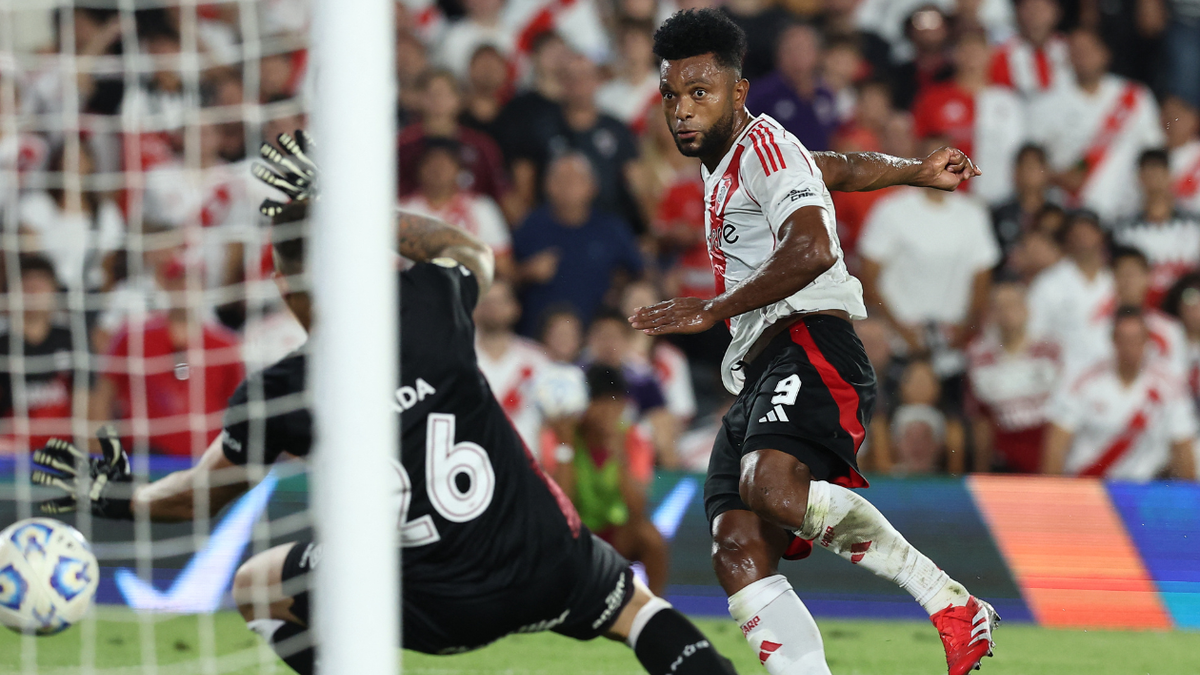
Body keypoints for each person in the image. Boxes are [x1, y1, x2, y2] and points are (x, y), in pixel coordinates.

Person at [32, 174, 742, 675]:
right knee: (637, 608)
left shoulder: (279, 389)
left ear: (284, 285)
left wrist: (118, 499)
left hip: (429, 607)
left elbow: (199, 498)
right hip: (540, 560)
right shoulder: (426, 303)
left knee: (256, 584)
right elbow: (472, 253)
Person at [630, 10, 998, 675]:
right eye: (671, 96)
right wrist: (914, 169)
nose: (682, 111)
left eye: (700, 93)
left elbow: (814, 244)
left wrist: (713, 308)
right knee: (736, 544)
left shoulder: (761, 145)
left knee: (770, 486)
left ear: (738, 94)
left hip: (810, 339)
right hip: (758, 363)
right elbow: (836, 166)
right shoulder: (736, 158)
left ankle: (947, 599)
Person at [859, 136, 998, 377]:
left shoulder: (973, 213)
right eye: (934, 157)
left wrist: (965, 331)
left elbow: (982, 282)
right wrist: (901, 331)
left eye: (949, 159)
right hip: (898, 344)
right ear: (919, 161)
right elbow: (869, 279)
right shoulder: (891, 210)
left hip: (954, 345)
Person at [90, 254, 245, 457]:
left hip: (203, 459)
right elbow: (103, 394)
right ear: (165, 284)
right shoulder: (133, 335)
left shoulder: (225, 345)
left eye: (194, 280)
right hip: (144, 456)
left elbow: (237, 408)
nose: (186, 286)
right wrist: (100, 447)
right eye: (179, 279)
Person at [1043, 306, 1197, 480]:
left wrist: (1189, 502)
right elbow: (1056, 447)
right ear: (1113, 340)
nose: (1130, 348)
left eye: (1136, 340)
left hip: (1145, 492)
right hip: (1090, 487)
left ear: (1147, 341)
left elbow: (1183, 448)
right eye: (1124, 339)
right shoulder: (1083, 383)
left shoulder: (1170, 388)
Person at [555, 364, 671, 595]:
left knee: (650, 537)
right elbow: (560, 508)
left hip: (617, 535)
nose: (609, 412)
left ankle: (658, 607)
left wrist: (620, 456)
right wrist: (565, 447)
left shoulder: (632, 437)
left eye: (615, 403)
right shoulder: (563, 434)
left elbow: (637, 509)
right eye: (600, 403)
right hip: (578, 535)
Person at [1027, 29, 1164, 223]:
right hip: (1070, 215)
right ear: (1067, 57)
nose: (1084, 57)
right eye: (1077, 51)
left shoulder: (1135, 96)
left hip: (1129, 212)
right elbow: (1030, 164)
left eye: (1089, 50)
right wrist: (1057, 177)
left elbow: (1154, 155)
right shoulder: (1045, 104)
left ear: (1105, 53)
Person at [511, 153, 644, 336]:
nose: (567, 187)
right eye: (560, 179)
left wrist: (621, 290)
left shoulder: (611, 229)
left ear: (592, 187)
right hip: (538, 341)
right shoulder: (531, 226)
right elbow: (506, 279)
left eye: (575, 180)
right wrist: (526, 272)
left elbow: (641, 273)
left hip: (594, 342)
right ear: (547, 186)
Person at [911, 29, 1027, 205]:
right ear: (955, 54)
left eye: (978, 48)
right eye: (966, 48)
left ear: (991, 53)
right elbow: (917, 148)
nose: (972, 54)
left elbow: (1020, 151)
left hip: (1001, 199)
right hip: (949, 198)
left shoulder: (1009, 102)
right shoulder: (932, 99)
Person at [965, 280, 1062, 474]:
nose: (1007, 312)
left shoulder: (1051, 351)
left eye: (1013, 304)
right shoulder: (978, 356)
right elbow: (981, 419)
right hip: (1003, 449)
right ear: (991, 314)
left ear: (1027, 309)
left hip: (1043, 443)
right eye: (999, 306)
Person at [397, 139, 514, 280]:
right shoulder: (401, 209)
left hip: (472, 292)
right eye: (431, 164)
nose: (438, 170)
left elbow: (503, 265)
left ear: (459, 169)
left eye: (445, 164)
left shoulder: (481, 207)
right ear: (418, 169)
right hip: (414, 290)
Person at [474, 279, 562, 457]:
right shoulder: (458, 358)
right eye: (486, 301)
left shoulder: (538, 359)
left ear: (515, 308)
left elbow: (553, 419)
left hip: (525, 465)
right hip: (473, 464)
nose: (493, 308)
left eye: (500, 301)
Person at [0, 256, 77, 453]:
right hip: (10, 452)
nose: (33, 291)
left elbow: (89, 399)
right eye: (27, 285)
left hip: (64, 451)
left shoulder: (73, 340)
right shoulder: (3, 344)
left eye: (40, 284)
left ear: (55, 291)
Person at [1026, 210, 1115, 377]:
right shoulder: (1048, 283)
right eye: (1077, 232)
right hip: (1064, 380)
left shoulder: (1115, 280)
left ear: (1101, 235)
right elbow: (1034, 336)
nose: (1083, 237)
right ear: (1067, 238)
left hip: (1109, 378)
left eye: (1089, 231)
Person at [1112, 149, 1200, 306]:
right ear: (1139, 178)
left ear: (1170, 175)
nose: (1153, 178)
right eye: (1148, 172)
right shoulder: (1123, 230)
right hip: (1143, 309)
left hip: (1189, 306)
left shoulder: (1195, 224)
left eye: (1158, 171)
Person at [745, 22, 839, 152]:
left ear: (818, 54)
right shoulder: (760, 95)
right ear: (778, 54)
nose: (796, 57)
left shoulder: (826, 95)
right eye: (790, 50)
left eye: (803, 49)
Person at [990, 144, 1058, 272]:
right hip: (1009, 283)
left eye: (1034, 166)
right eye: (1024, 166)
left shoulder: (1059, 214)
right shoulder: (998, 214)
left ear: (1047, 171)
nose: (1029, 172)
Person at [988, 0, 1072, 97]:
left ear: (1056, 13)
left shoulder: (1070, 50)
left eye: (1041, 9)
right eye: (1029, 9)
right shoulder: (1002, 56)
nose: (1036, 15)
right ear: (1018, 13)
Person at [1162, 96, 1200, 214]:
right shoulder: (1149, 154)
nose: (1171, 122)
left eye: (1178, 117)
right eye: (1167, 115)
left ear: (1195, 120)